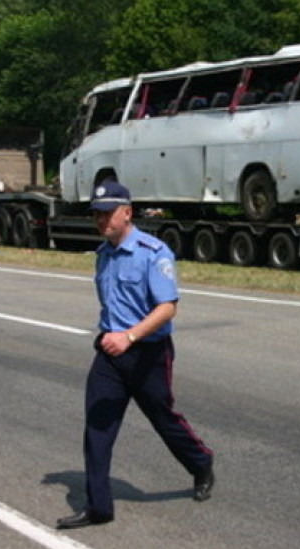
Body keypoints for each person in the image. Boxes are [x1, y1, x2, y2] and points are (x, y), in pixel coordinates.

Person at [56, 181, 214, 530]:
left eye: (107, 213)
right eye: (96, 214)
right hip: (110, 353)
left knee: (163, 419)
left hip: (148, 354)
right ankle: (99, 507)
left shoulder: (153, 252)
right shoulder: (103, 253)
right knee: (98, 426)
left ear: (127, 212)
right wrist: (115, 338)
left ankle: (200, 461)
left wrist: (129, 336)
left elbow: (167, 308)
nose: (101, 220)